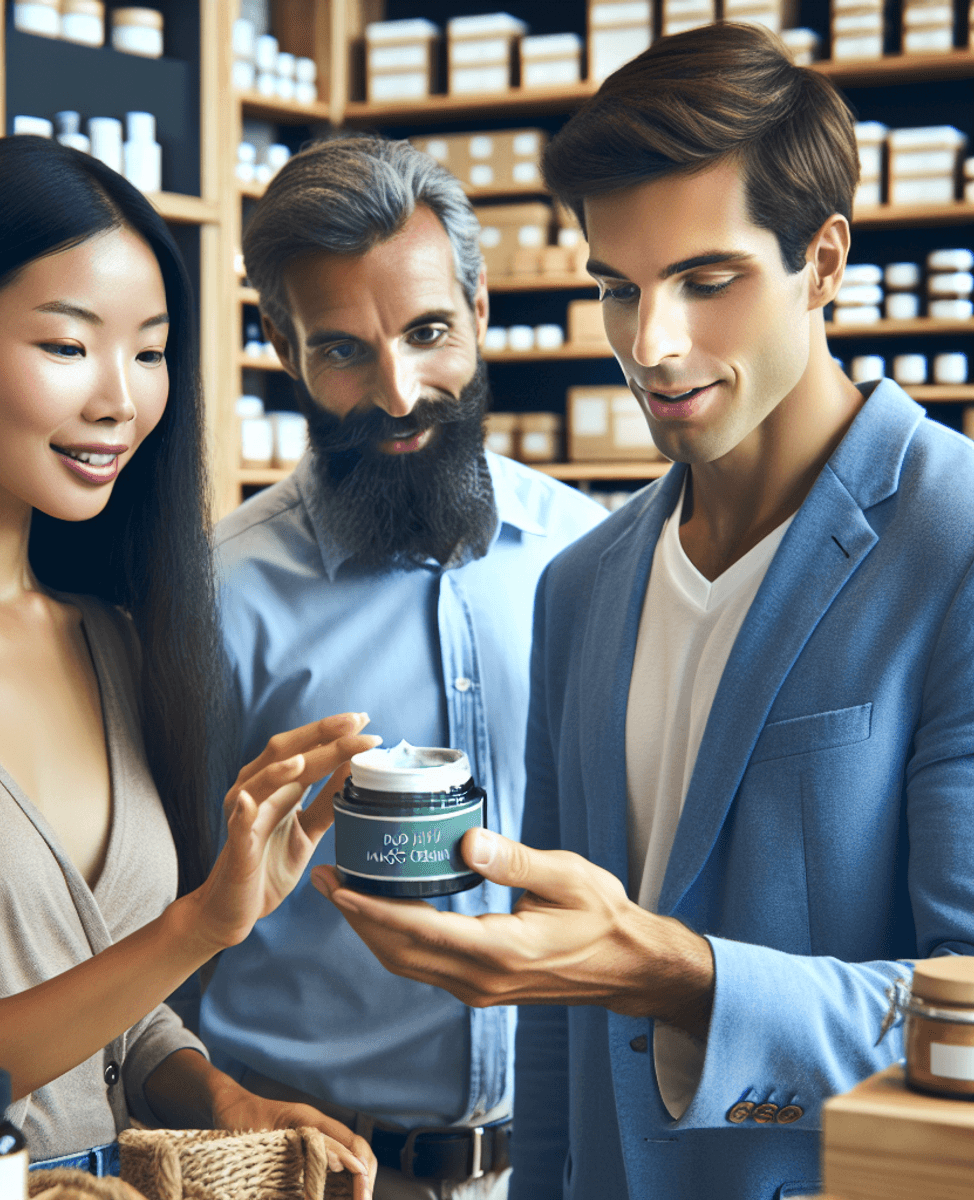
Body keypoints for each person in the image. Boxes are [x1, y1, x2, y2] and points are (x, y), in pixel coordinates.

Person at [311, 23, 974, 1200]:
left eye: (706, 281)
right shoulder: (584, 582)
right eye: (618, 288)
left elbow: (966, 1016)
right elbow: (563, 1026)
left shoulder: (955, 542)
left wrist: (672, 971)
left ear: (823, 262)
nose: (651, 347)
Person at [0, 134, 380, 1194]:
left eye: (149, 352)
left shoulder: (109, 636)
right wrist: (203, 925)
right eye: (68, 346)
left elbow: (109, 1008)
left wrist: (209, 1090)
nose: (121, 401)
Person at [198, 136, 605, 1200]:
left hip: (564, 1161)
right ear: (286, 351)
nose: (398, 390)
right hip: (317, 1170)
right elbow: (157, 921)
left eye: (429, 331)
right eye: (343, 351)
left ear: (477, 309)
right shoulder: (220, 598)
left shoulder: (594, 555)